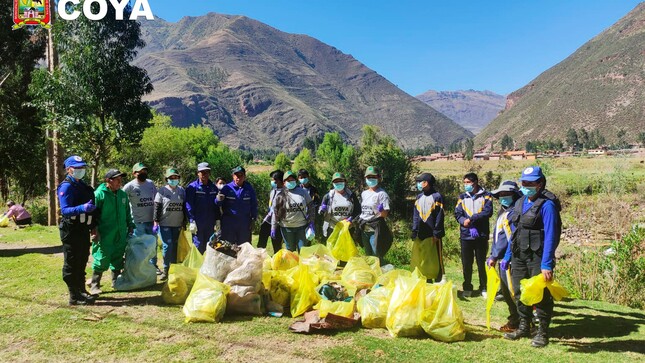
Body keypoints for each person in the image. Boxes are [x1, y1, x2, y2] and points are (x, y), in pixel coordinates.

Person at [504, 166, 561, 348]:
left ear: (540, 183)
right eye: (524, 182)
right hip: (519, 255)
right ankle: (524, 326)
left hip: (538, 257)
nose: (526, 185)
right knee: (520, 292)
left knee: (540, 295)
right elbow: (514, 231)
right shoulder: (520, 202)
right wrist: (507, 255)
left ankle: (543, 333)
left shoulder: (548, 205)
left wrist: (547, 264)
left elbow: (552, 235)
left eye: (530, 183)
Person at [57, 155, 96, 305]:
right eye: (77, 168)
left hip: (82, 227)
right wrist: (82, 208)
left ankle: (81, 291)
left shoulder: (82, 185)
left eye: (82, 168)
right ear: (69, 170)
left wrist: (93, 226)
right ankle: (74, 296)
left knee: (82, 259)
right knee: (72, 262)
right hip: (71, 228)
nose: (81, 170)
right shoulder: (66, 186)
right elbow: (65, 210)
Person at [89, 169, 135, 296]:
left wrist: (130, 225)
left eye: (121, 179)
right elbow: (93, 215)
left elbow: (127, 212)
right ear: (108, 180)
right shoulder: (99, 195)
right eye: (117, 179)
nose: (120, 182)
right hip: (105, 233)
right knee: (102, 257)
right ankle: (95, 284)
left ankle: (116, 281)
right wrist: (94, 229)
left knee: (118, 256)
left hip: (120, 232)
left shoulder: (122, 195)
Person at [486, 180, 522, 333]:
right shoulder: (503, 211)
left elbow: (511, 239)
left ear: (514, 195)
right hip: (502, 259)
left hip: (511, 260)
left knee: (514, 293)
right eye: (501, 194)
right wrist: (493, 255)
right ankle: (515, 321)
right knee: (507, 293)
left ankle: (524, 322)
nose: (503, 197)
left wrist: (500, 256)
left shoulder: (515, 213)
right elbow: (498, 237)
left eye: (506, 194)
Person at [454, 172, 493, 298]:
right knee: (467, 263)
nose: (466, 185)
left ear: (475, 182)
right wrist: (463, 221)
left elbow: (487, 212)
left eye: (468, 183)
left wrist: (472, 219)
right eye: (464, 183)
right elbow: (457, 213)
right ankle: (467, 287)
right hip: (466, 235)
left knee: (481, 262)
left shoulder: (486, 196)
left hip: (480, 235)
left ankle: (484, 287)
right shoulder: (462, 197)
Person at [122, 162, 159, 273]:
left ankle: (153, 267)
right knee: (138, 246)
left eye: (145, 171)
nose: (143, 173)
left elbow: (157, 200)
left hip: (151, 221)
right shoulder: (129, 186)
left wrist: (156, 219)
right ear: (134, 173)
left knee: (153, 245)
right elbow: (121, 200)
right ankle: (138, 268)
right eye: (140, 171)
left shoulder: (151, 183)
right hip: (137, 222)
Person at [411, 172, 445, 283]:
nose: (419, 184)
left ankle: (440, 280)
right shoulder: (419, 197)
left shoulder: (437, 197)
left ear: (426, 183)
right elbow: (416, 215)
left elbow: (439, 216)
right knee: (423, 258)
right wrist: (414, 231)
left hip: (433, 234)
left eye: (420, 181)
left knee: (436, 258)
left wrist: (437, 233)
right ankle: (426, 280)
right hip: (421, 233)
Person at [154, 168, 187, 280]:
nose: (174, 179)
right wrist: (156, 221)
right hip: (165, 224)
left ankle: (174, 269)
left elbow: (184, 207)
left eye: (176, 177)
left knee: (175, 247)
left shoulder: (182, 191)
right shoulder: (162, 191)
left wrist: (185, 222)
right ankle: (166, 269)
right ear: (167, 179)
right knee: (167, 247)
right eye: (171, 178)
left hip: (177, 224)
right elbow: (157, 207)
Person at [355, 166, 392, 262]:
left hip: (375, 229)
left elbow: (384, 215)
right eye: (368, 177)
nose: (371, 179)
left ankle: (380, 273)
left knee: (376, 254)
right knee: (368, 254)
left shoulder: (382, 194)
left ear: (379, 178)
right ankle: (371, 274)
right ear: (365, 179)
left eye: (374, 177)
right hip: (364, 228)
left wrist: (381, 210)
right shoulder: (364, 193)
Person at [271, 171, 314, 252]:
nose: (291, 182)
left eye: (292, 180)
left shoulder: (302, 192)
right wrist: (273, 227)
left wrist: (311, 221)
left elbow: (311, 206)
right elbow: (275, 213)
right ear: (284, 182)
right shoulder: (279, 195)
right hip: (286, 228)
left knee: (303, 250)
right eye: (288, 180)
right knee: (290, 252)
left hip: (301, 226)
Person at [216, 166, 258, 245]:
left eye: (241, 175)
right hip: (229, 224)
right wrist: (218, 199)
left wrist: (253, 219)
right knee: (227, 247)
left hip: (244, 224)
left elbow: (254, 204)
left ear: (244, 176)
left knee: (244, 248)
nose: (238, 177)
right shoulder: (227, 188)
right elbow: (218, 204)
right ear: (233, 176)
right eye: (236, 175)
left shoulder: (249, 189)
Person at [185, 162, 221, 253]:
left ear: (209, 173)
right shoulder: (192, 187)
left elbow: (216, 205)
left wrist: (218, 219)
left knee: (211, 246)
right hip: (198, 224)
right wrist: (192, 221)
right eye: (202, 172)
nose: (204, 174)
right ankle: (198, 267)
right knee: (198, 246)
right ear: (198, 173)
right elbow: (189, 205)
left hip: (210, 223)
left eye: (206, 172)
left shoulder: (213, 188)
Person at [319, 172, 360, 237]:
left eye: (340, 181)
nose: (338, 183)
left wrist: (351, 219)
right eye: (336, 181)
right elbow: (321, 210)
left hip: (347, 228)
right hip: (333, 228)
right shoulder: (328, 196)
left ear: (345, 182)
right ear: (333, 183)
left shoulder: (351, 196)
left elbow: (357, 210)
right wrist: (322, 210)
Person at [257, 170, 285, 253]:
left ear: (279, 181)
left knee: (276, 243)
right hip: (269, 219)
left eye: (273, 180)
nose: (272, 182)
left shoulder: (285, 193)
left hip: (278, 222)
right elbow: (271, 206)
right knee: (262, 238)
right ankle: (260, 256)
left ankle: (277, 260)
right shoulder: (273, 191)